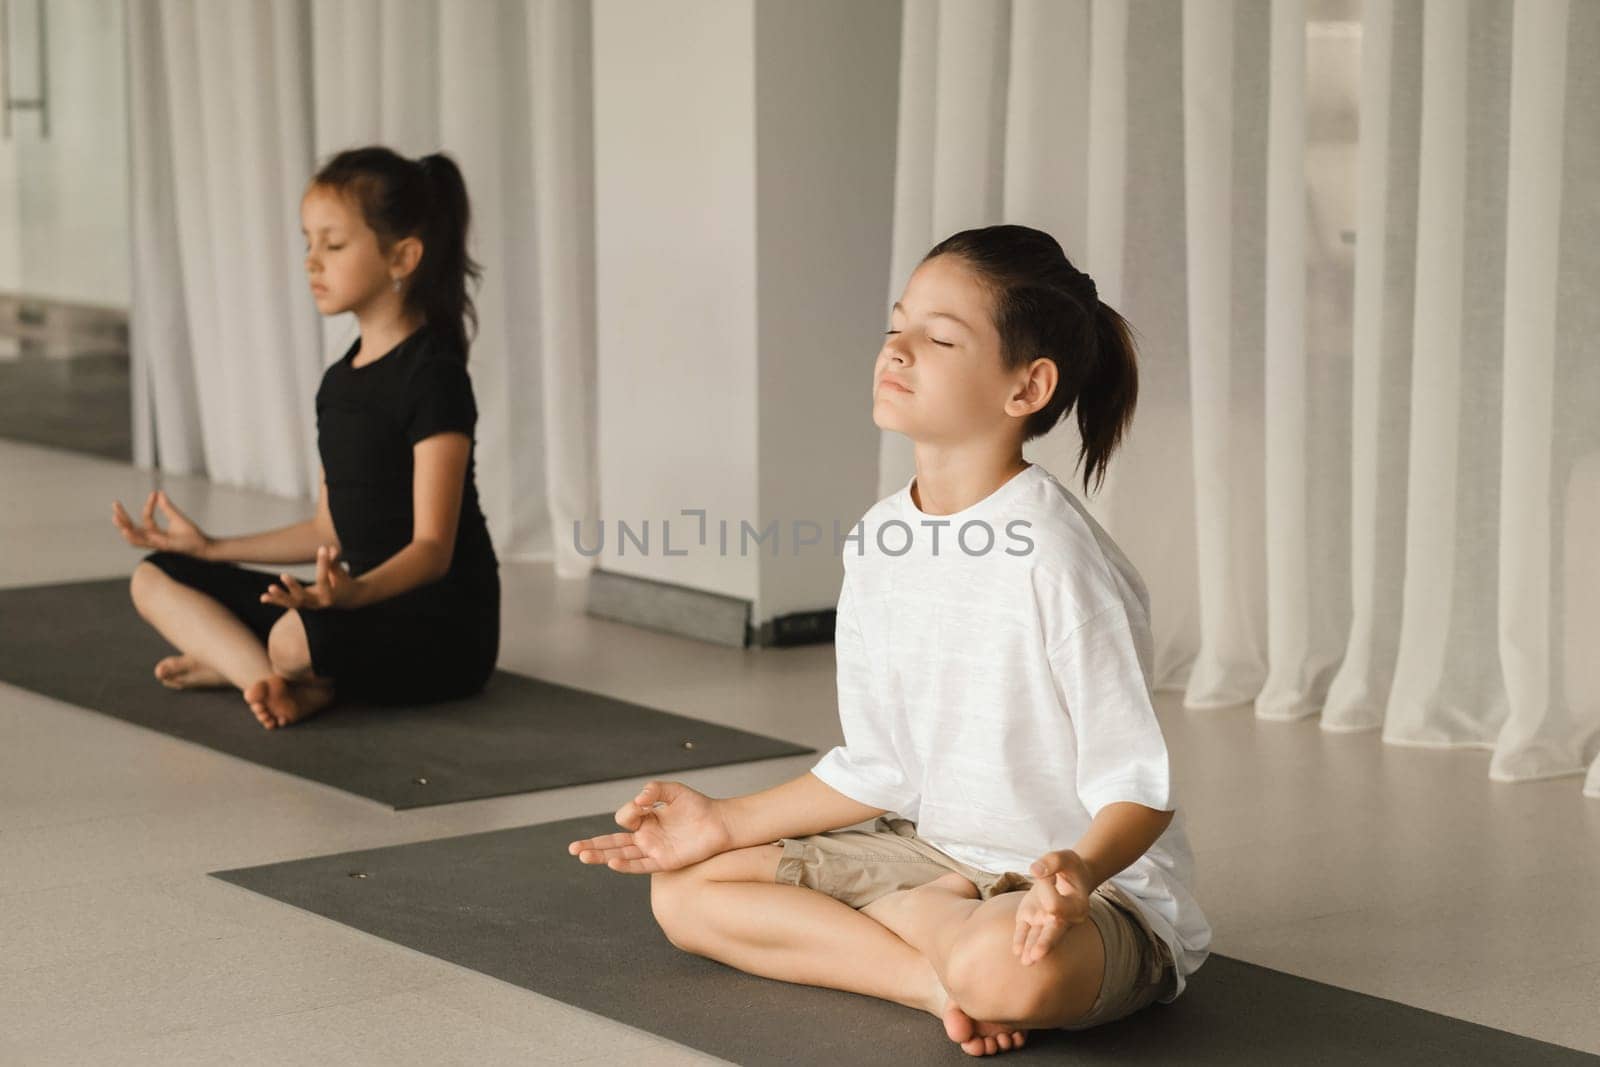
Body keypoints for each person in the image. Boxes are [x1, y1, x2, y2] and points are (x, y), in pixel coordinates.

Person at [569, 224, 1211, 1055]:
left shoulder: (1057, 558)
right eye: (896, 326)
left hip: (1085, 891)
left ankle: (930, 933)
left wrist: (1078, 875)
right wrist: (722, 822)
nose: (898, 350)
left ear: (1028, 386)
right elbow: (883, 766)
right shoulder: (879, 538)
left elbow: (1140, 787)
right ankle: (933, 978)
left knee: (1011, 969)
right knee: (683, 893)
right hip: (932, 852)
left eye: (940, 337)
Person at [112, 146, 499, 730]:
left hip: (438, 627)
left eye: (334, 245)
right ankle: (268, 681)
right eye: (307, 242)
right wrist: (210, 547)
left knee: (294, 637)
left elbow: (432, 550)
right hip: (345, 604)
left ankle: (261, 664)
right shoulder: (338, 383)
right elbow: (329, 529)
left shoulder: (434, 377)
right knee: (154, 576)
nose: (312, 262)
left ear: (403, 257)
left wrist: (351, 597)